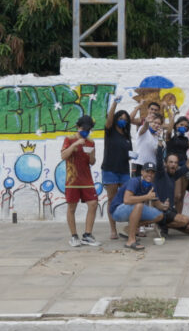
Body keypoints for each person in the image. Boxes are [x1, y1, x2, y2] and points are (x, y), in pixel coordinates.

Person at [61, 115, 101, 247]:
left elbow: (92, 162)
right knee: (72, 208)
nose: (86, 132)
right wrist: (75, 145)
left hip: (87, 179)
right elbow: (63, 156)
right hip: (72, 180)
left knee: (93, 204)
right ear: (78, 127)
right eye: (84, 129)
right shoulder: (69, 139)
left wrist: (91, 154)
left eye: (88, 130)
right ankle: (74, 236)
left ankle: (87, 235)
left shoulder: (91, 142)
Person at [108, 161, 164, 251]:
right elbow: (127, 200)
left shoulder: (152, 185)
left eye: (152, 172)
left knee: (159, 215)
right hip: (117, 211)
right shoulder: (134, 181)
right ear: (142, 172)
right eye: (147, 171)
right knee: (139, 205)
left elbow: (158, 204)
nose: (150, 174)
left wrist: (164, 205)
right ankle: (131, 241)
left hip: (134, 208)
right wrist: (146, 197)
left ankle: (129, 229)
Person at [102, 96, 132, 240]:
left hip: (124, 170)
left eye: (125, 119)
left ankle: (131, 228)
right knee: (112, 199)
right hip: (110, 170)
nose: (123, 121)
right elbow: (109, 120)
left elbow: (128, 152)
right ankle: (113, 230)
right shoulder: (110, 131)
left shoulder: (126, 135)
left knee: (130, 197)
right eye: (120, 118)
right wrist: (114, 103)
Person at [152, 143, 189, 236]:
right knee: (185, 220)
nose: (173, 164)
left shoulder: (174, 175)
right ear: (166, 163)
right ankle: (159, 223)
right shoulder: (160, 174)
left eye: (175, 163)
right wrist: (159, 147)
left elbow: (188, 165)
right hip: (160, 211)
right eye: (171, 162)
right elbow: (159, 161)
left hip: (170, 210)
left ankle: (163, 226)